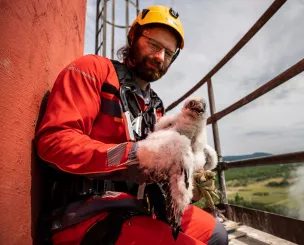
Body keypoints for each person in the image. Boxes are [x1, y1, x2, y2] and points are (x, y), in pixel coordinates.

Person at [35, 5, 228, 245]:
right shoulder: (93, 70)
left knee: (216, 234)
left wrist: (184, 178)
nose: (160, 57)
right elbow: (54, 142)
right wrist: (132, 155)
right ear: (133, 36)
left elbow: (154, 168)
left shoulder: (155, 106)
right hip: (84, 210)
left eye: (168, 53)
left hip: (136, 205)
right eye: (154, 44)